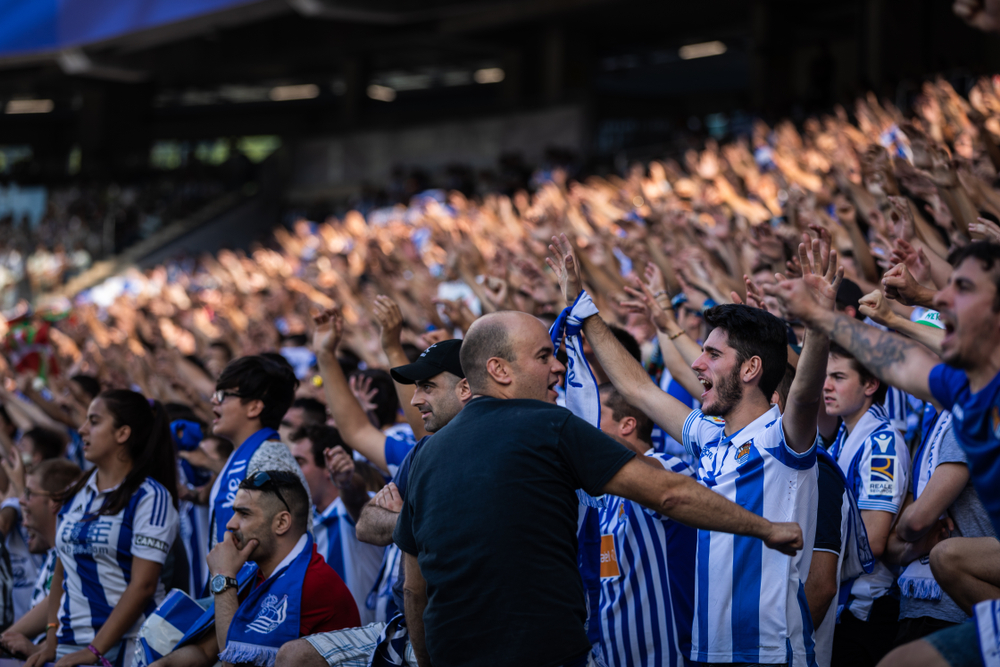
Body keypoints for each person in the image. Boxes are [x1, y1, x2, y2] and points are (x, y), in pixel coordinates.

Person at [394, 309, 803, 667]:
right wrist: (766, 529)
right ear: (500, 370)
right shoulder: (547, 426)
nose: (557, 368)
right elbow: (668, 493)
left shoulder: (422, 456)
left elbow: (414, 588)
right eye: (542, 357)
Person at [548, 233, 832, 666]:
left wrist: (817, 324)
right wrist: (582, 307)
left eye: (712, 354)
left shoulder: (782, 437)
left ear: (752, 368)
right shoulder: (710, 437)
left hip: (771, 653)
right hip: (704, 651)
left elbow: (807, 393)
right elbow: (638, 388)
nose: (697, 364)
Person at [762, 242, 1000, 667]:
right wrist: (823, 318)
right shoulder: (970, 389)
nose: (940, 297)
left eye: (960, 288)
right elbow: (903, 361)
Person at [276, 332, 469, 667]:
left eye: (427, 387)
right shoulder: (423, 450)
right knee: (294, 656)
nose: (414, 400)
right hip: (400, 627)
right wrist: (409, 520)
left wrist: (407, 517)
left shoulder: (491, 451)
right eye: (416, 387)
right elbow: (366, 525)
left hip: (457, 628)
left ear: (465, 388)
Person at [26, 391, 180, 667]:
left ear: (123, 434)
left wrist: (94, 651)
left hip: (130, 647)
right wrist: (51, 640)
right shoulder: (76, 493)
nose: (82, 429)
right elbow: (61, 571)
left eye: (94, 422)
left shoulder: (151, 497)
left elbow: (143, 585)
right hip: (70, 646)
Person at [149, 470, 358, 667]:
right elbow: (206, 650)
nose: (231, 524)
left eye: (244, 514)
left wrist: (224, 577)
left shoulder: (313, 583)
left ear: (281, 523)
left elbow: (233, 662)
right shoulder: (255, 573)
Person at [593, 383, 698, 667]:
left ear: (627, 424)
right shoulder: (603, 492)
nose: (582, 421)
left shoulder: (668, 467)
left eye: (592, 412)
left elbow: (669, 486)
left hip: (667, 656)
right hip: (613, 656)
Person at [819, 344, 910, 666]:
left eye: (839, 377)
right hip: (846, 605)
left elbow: (873, 540)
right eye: (826, 376)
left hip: (866, 610)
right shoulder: (846, 433)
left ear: (870, 384)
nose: (826, 385)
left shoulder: (881, 442)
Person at [208, 355, 310, 551]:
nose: (214, 400)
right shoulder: (250, 453)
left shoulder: (270, 463)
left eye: (223, 395)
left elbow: (270, 550)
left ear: (254, 407)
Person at [289, 425, 382, 623]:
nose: (292, 471)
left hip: (363, 647)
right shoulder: (304, 523)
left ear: (328, 468)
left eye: (299, 462)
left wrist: (346, 483)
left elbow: (357, 502)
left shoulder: (349, 512)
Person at [0, 459, 82, 658]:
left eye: (28, 494)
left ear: (55, 500)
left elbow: (59, 599)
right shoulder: (51, 553)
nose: (21, 500)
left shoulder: (74, 550)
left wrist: (43, 648)